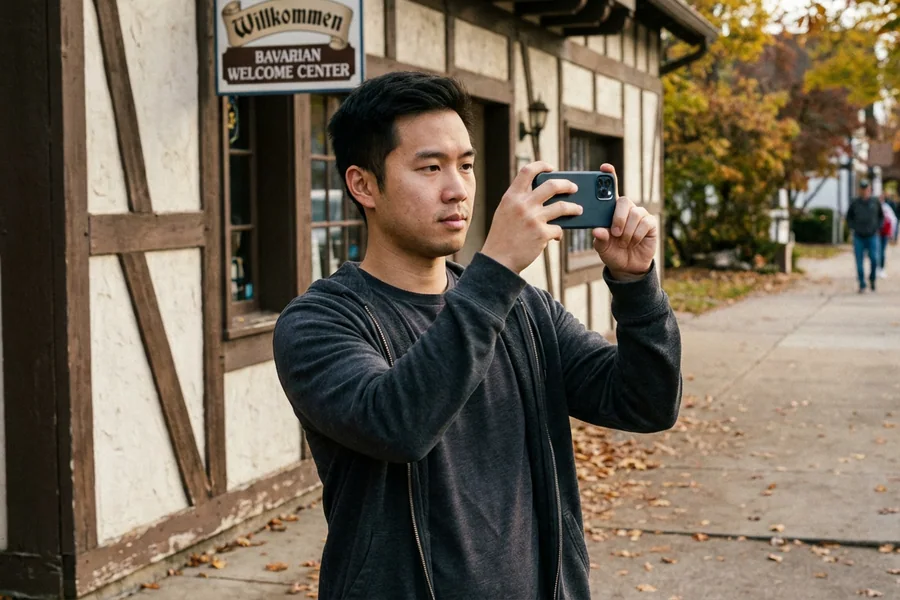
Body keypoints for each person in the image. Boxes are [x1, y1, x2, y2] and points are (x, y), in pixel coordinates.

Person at [273, 71, 682, 600]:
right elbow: (399, 426)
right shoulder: (319, 322)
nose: (458, 189)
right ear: (363, 185)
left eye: (465, 165)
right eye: (430, 168)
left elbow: (647, 404)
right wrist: (498, 268)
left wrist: (636, 285)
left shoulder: (523, 309)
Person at [846, 179, 883, 292]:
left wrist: (877, 227)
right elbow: (849, 217)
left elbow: (881, 216)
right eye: (862, 189)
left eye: (866, 189)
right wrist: (853, 227)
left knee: (874, 259)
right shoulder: (855, 203)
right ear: (860, 190)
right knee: (859, 261)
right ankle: (862, 283)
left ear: (869, 190)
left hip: (872, 235)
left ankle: (872, 278)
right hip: (859, 236)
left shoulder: (875, 202)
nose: (864, 191)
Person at [878, 193, 897, 277]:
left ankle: (880, 268)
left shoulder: (886, 208)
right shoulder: (885, 207)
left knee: (881, 251)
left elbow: (893, 220)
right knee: (878, 251)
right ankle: (879, 268)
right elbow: (893, 220)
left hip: (883, 233)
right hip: (877, 233)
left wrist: (891, 233)